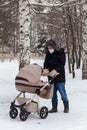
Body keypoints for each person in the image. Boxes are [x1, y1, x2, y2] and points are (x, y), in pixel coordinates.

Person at [42, 39, 69, 113]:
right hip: (51, 77)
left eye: (50, 47)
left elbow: (62, 64)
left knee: (62, 92)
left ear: (54, 46)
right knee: (53, 94)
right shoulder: (48, 54)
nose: (49, 49)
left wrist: (56, 70)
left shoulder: (60, 52)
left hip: (59, 77)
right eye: (48, 47)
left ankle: (66, 107)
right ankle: (54, 107)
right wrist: (45, 69)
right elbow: (46, 63)